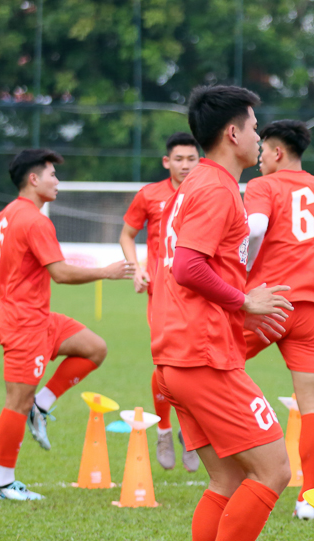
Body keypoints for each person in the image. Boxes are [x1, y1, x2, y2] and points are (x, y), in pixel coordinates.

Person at [153, 86, 294, 541]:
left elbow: (190, 265)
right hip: (202, 354)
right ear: (233, 133)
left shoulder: (196, 187)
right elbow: (188, 267)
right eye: (254, 126)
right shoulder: (215, 188)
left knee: (226, 479)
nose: (260, 136)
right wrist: (245, 302)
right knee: (275, 471)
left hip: (179, 355)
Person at [0, 149, 134, 501]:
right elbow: (59, 273)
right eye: (52, 175)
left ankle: (41, 404)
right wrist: (106, 272)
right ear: (34, 179)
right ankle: (1, 484)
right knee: (16, 400)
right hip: (22, 325)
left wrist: (4, 294)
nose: (57, 182)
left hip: (39, 318)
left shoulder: (6, 215)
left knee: (94, 348)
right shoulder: (33, 219)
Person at [243, 120, 314, 521]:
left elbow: (255, 228)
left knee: (218, 368)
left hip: (266, 302)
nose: (259, 159)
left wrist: (241, 276)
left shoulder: (263, 187)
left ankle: (228, 458)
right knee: (312, 404)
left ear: (278, 152)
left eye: (263, 151)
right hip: (310, 306)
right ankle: (308, 495)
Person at [118, 132, 201, 472]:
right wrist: (137, 268)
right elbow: (126, 234)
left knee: (196, 364)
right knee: (166, 365)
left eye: (191, 159)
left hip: (198, 292)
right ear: (167, 161)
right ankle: (165, 429)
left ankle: (192, 432)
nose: (184, 165)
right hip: (162, 293)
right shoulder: (149, 194)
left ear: (200, 161)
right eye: (178, 159)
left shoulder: (206, 194)